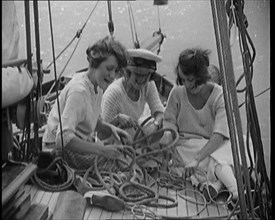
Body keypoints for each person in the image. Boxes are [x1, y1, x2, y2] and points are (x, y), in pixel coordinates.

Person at [160, 48, 251, 201]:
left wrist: (197, 159)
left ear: (201, 76)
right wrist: (168, 133)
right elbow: (169, 120)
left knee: (242, 145)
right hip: (187, 145)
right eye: (183, 80)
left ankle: (225, 189)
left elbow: (220, 134)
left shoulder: (220, 95)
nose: (187, 85)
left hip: (213, 144)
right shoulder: (176, 93)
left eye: (190, 79)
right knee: (219, 161)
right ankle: (229, 187)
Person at [42, 36, 132, 170]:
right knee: (120, 164)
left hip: (78, 144)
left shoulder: (98, 87)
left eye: (116, 71)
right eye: (109, 68)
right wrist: (100, 150)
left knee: (122, 158)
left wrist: (113, 130)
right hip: (57, 151)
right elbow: (62, 139)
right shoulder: (79, 92)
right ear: (95, 63)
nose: (112, 76)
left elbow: (94, 122)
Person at [101, 48, 164, 139]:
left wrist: (155, 124)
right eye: (138, 75)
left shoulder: (149, 84)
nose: (142, 80)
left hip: (135, 138)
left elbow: (159, 112)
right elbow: (101, 135)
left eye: (146, 75)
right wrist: (117, 120)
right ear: (127, 73)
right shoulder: (113, 94)